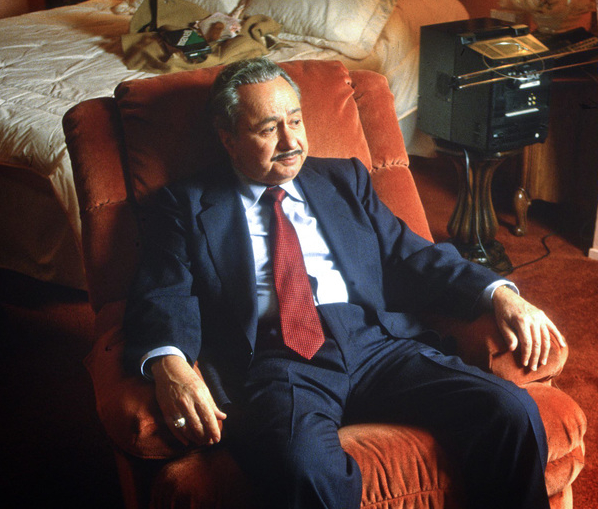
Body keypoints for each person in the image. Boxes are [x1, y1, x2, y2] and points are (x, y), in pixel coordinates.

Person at [123, 57, 566, 509]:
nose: (290, 141)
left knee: (510, 411)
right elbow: (163, 293)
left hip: (376, 344)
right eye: (268, 129)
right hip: (282, 360)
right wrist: (168, 364)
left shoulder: (343, 178)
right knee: (303, 465)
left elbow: (412, 255)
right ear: (228, 138)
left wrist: (500, 294)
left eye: (295, 120)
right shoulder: (185, 204)